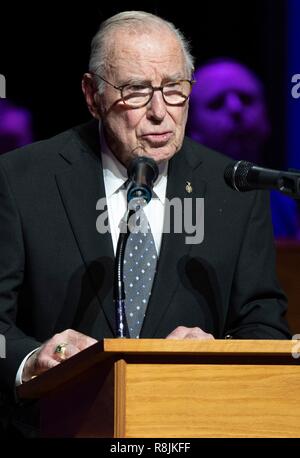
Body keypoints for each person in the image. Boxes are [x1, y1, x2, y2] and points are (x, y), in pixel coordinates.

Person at [0, 11, 290, 437]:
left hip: (188, 428)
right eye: (136, 91)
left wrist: (220, 352)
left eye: (174, 89)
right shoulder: (21, 178)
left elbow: (264, 323)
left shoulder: (234, 188)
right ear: (92, 94)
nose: (160, 112)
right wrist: (31, 361)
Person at [186, 58, 299, 239]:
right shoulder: (179, 201)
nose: (235, 108)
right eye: (217, 103)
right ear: (190, 126)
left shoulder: (286, 205)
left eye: (246, 99)